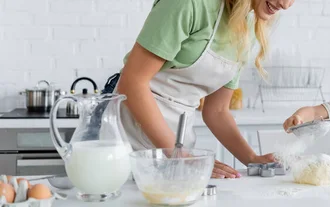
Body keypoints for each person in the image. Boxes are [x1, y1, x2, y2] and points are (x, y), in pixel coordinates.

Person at [107, 0, 296, 179]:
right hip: (126, 142)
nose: (286, 5)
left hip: (179, 148)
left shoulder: (246, 27)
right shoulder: (190, 4)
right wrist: (179, 155)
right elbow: (132, 83)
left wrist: (252, 159)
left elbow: (217, 111)